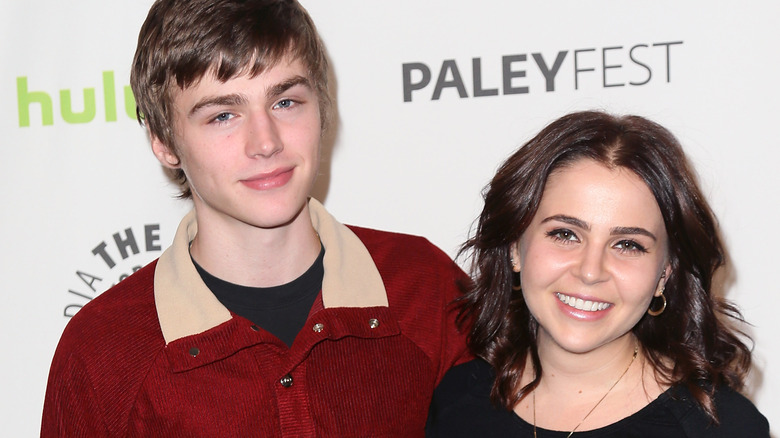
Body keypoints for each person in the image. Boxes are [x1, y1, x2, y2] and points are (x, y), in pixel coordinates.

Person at [41, 0, 469, 436]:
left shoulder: (427, 289)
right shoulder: (101, 352)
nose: (265, 142)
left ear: (322, 107)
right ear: (163, 141)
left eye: (285, 102)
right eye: (223, 115)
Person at [426, 111, 769, 437]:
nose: (591, 272)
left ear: (665, 272)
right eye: (565, 234)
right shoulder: (456, 401)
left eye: (628, 245)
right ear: (515, 247)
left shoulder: (720, 427)